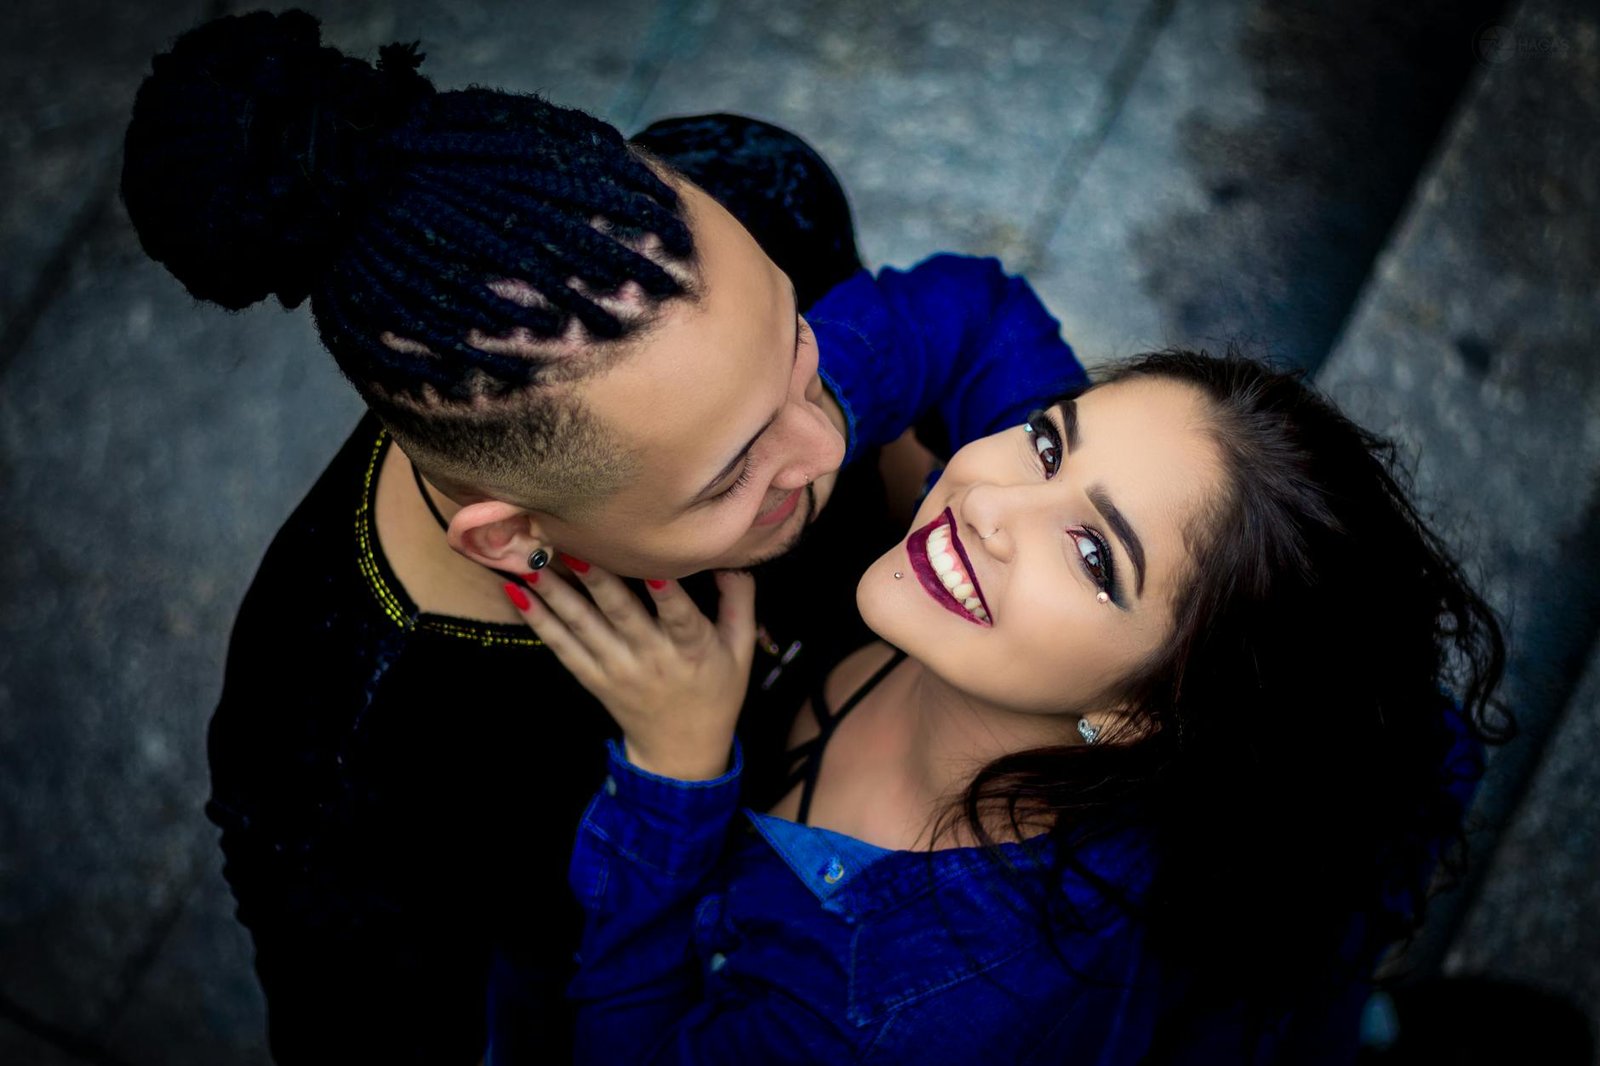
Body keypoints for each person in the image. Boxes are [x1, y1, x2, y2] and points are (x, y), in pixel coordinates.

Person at [119, 9, 1086, 1062]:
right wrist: (680, 771)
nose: (822, 444)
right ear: (508, 538)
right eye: (733, 473)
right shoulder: (337, 750)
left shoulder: (752, 181)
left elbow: (935, 344)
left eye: (795, 341)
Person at [505, 349, 1512, 1064]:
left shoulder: (896, 1014)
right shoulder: (1011, 627)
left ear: (1142, 715)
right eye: (1044, 440)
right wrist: (835, 396)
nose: (984, 498)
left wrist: (675, 773)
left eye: (1089, 554)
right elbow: (969, 299)